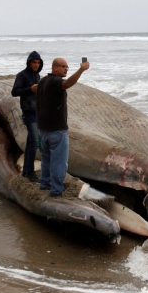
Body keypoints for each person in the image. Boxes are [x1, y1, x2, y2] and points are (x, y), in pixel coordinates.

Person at [36, 57, 90, 196]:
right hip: (57, 130)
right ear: (54, 68)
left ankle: (44, 185)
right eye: (63, 67)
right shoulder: (55, 81)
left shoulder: (42, 81)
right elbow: (67, 84)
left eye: (67, 67)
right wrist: (81, 69)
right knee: (59, 163)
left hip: (44, 130)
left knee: (46, 160)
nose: (66, 69)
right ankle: (56, 191)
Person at [11, 51, 43, 183]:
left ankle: (26, 171)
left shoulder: (38, 76)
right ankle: (29, 171)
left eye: (38, 63)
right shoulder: (22, 75)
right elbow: (14, 92)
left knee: (31, 143)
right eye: (34, 62)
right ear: (29, 62)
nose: (36, 65)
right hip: (28, 113)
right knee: (35, 142)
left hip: (37, 113)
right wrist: (30, 89)